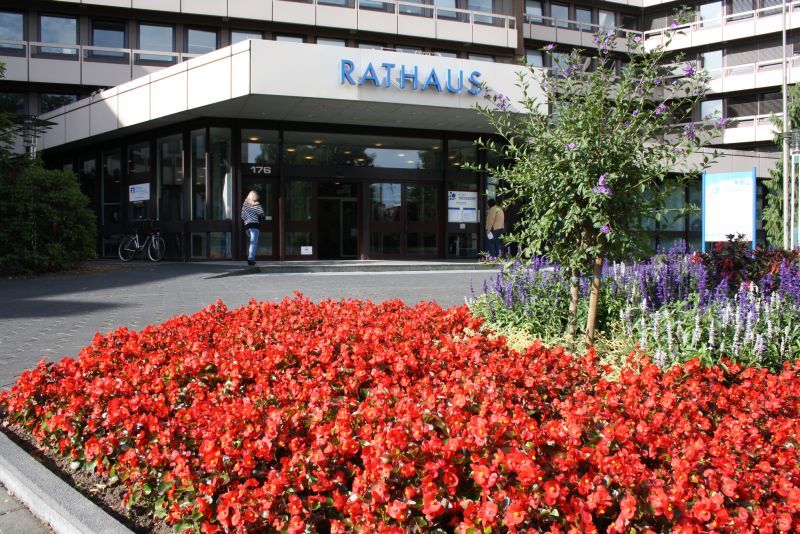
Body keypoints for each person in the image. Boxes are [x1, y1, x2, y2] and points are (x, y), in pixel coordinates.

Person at [241, 190, 265, 266]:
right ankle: (250, 259)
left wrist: (247, 221)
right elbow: (262, 213)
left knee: (251, 243)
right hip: (254, 226)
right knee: (253, 243)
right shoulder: (256, 204)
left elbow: (242, 216)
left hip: (247, 226)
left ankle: (251, 258)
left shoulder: (245, 206)